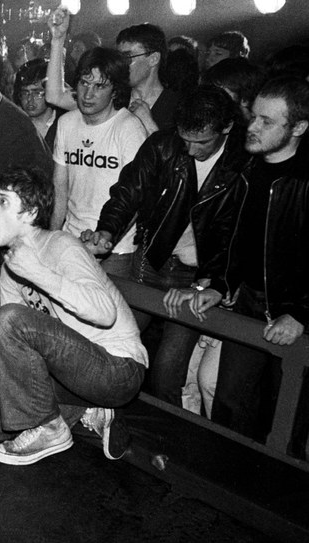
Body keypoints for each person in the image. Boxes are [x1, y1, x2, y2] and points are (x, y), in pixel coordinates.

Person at [0, 167, 147, 465]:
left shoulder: (62, 245)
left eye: (2, 201)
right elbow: (4, 339)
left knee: (12, 318)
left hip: (117, 370)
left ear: (29, 213)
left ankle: (51, 427)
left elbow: (104, 313)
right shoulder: (11, 265)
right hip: (72, 373)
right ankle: (92, 411)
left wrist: (39, 274)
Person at [85, 85, 249, 407]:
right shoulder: (162, 146)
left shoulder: (243, 165)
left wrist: (215, 281)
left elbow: (236, 234)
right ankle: (104, 420)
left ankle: (167, 443)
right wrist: (106, 231)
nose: (189, 150)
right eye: (185, 139)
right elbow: (128, 191)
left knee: (167, 369)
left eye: (200, 141)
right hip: (151, 262)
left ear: (226, 128)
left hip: (195, 278)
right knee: (114, 346)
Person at [197, 77, 309, 441]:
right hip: (247, 301)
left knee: (286, 417)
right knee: (231, 401)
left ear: (299, 128)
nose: (253, 126)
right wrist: (219, 283)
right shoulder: (244, 169)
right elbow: (229, 238)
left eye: (267, 121)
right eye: (254, 116)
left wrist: (302, 314)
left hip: (294, 312)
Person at [50, 46, 148, 277]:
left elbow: (136, 196)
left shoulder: (129, 128)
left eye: (99, 86)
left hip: (115, 249)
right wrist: (52, 238)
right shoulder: (66, 123)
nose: (88, 94)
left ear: (115, 90)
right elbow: (59, 190)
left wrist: (108, 239)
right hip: (71, 239)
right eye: (84, 83)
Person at [116, 22, 179, 135]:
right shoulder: (115, 101)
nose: (120, 64)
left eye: (127, 58)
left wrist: (148, 123)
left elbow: (177, 151)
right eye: (118, 58)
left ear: (153, 59)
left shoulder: (177, 107)